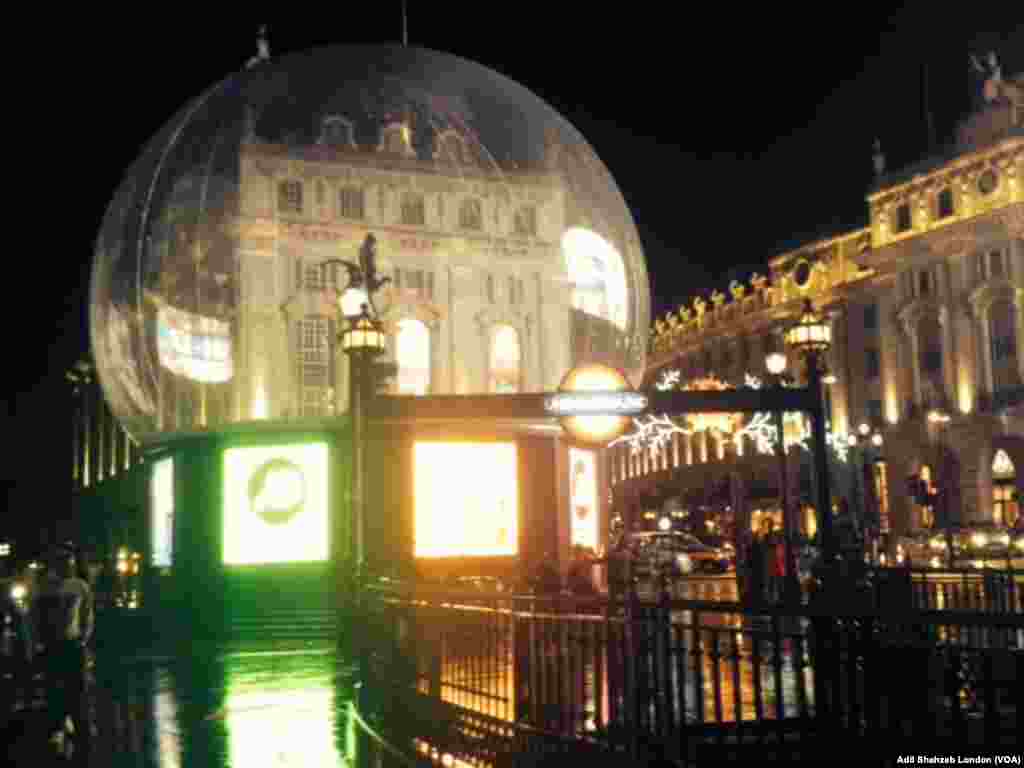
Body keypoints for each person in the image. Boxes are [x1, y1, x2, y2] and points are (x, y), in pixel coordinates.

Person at [31, 546, 94, 756]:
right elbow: (36, 617)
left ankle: (79, 730)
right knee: (55, 689)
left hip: (72, 645)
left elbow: (87, 616)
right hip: (54, 646)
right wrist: (39, 642)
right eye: (63, 561)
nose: (68, 564)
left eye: (70, 560)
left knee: (76, 689)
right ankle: (58, 730)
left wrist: (83, 640)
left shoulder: (80, 586)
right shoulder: (46, 586)